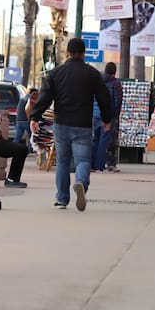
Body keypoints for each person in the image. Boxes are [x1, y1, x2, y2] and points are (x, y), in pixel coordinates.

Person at [29, 37, 113, 211]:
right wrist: (107, 119)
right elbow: (104, 98)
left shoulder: (56, 73)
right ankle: (81, 182)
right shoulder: (92, 74)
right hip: (82, 124)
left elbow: (45, 97)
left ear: (67, 52)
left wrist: (35, 117)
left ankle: (61, 199)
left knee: (62, 162)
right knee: (83, 160)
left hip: (61, 124)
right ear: (84, 53)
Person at [93, 63, 123, 173]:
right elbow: (117, 101)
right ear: (114, 72)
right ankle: (100, 165)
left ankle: (93, 164)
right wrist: (115, 116)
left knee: (95, 139)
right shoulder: (115, 84)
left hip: (95, 115)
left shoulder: (97, 81)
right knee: (104, 141)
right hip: (108, 116)